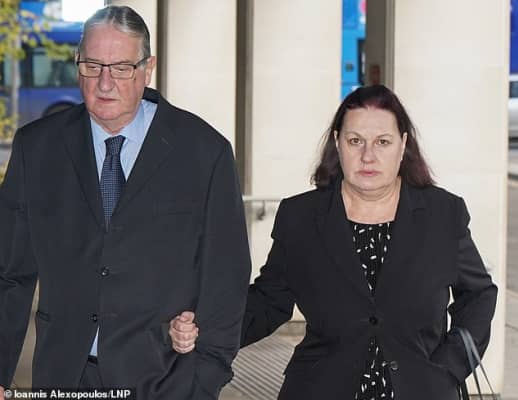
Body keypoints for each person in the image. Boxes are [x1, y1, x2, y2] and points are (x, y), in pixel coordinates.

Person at [170, 85, 498, 400]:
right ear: (338, 143)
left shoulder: (443, 214)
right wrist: (204, 325)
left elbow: (479, 295)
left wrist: (448, 367)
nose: (368, 155)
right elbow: (269, 301)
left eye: (382, 142)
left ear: (403, 145)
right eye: (355, 141)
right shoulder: (301, 217)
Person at [0, 5, 250, 399]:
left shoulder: (204, 152)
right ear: (77, 64)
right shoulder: (37, 148)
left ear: (147, 69)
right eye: (92, 66)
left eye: (121, 68)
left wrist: (204, 377)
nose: (105, 83)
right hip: (64, 376)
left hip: (165, 379)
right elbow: (9, 272)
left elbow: (226, 276)